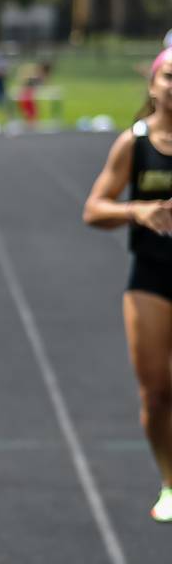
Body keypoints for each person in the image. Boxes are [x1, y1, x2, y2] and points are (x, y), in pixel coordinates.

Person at [82, 47, 172, 521]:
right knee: (156, 390)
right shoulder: (133, 144)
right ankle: (170, 481)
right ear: (154, 83)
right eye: (170, 77)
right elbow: (93, 208)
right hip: (152, 276)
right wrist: (136, 211)